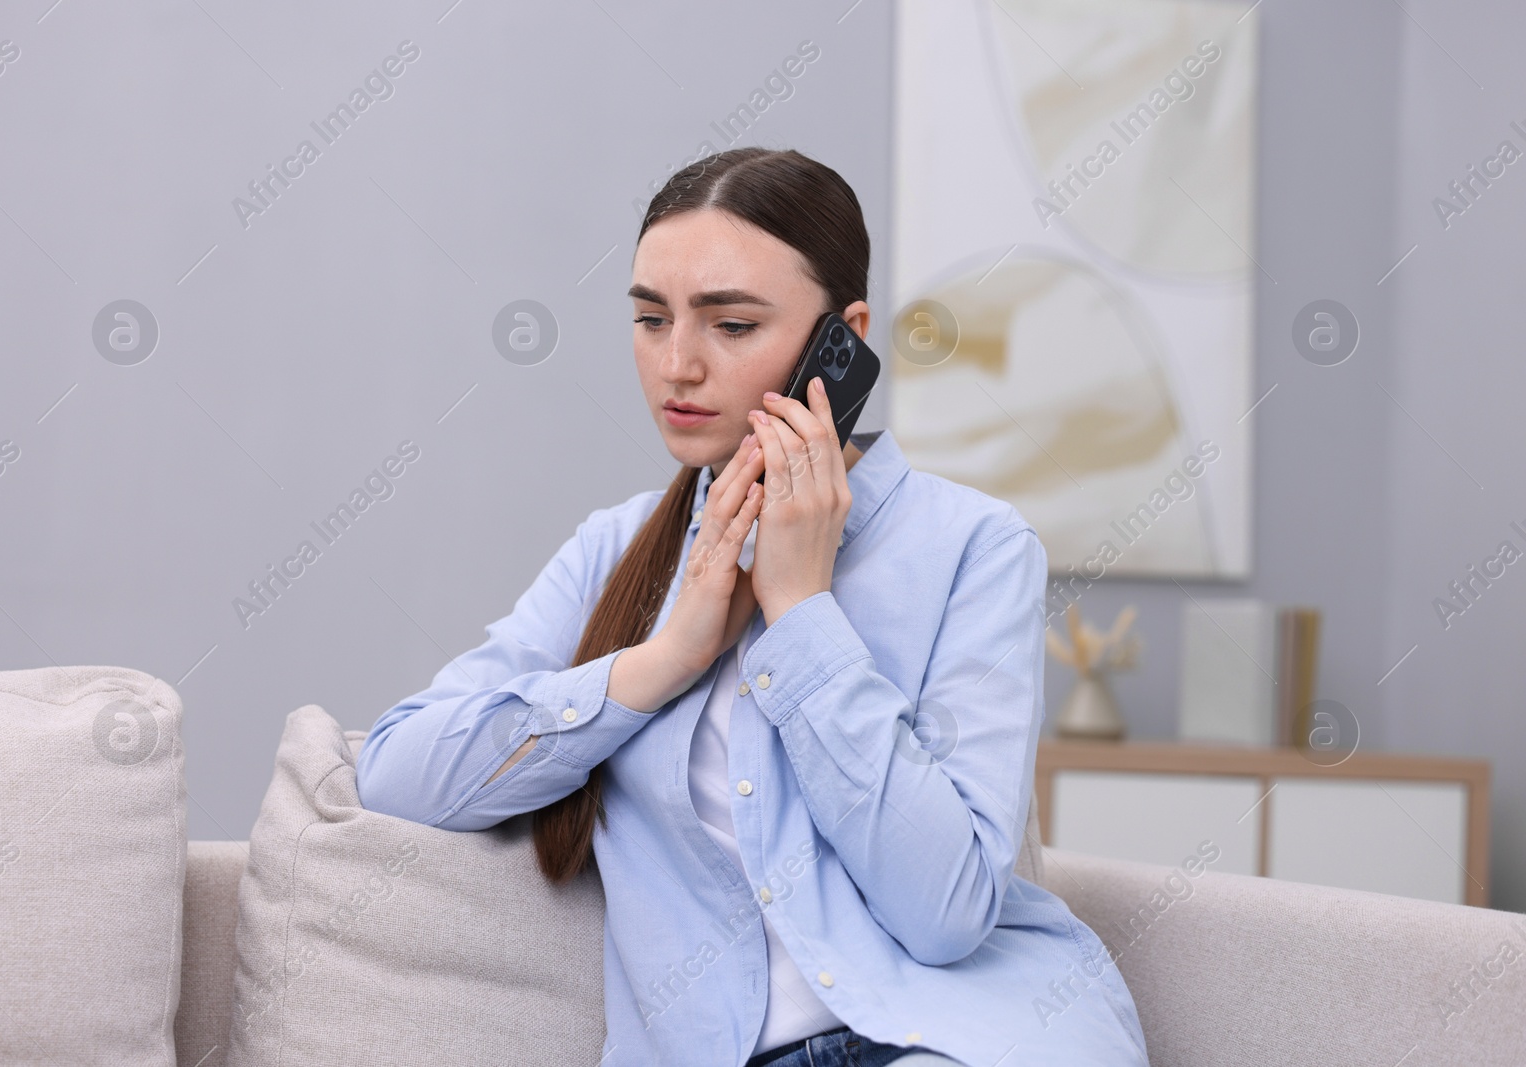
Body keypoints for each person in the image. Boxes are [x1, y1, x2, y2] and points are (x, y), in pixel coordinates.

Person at [356, 147, 1148, 1067]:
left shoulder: (975, 548)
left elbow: (946, 913)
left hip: (967, 1038)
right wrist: (665, 661)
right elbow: (397, 771)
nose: (678, 365)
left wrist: (805, 613)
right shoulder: (610, 555)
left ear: (841, 342)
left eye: (731, 324)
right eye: (652, 319)